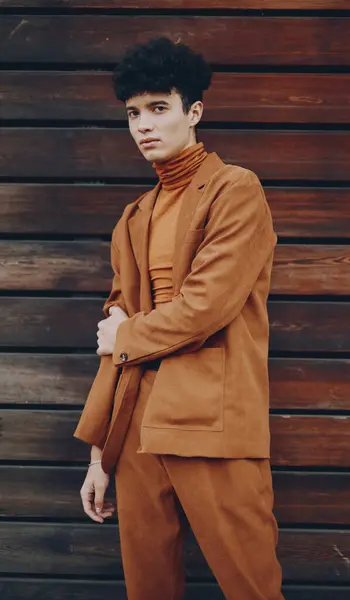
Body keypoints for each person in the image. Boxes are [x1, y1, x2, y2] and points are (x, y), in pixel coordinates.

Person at [74, 36, 284, 600]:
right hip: (139, 428)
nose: (144, 124)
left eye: (159, 108)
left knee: (251, 587)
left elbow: (206, 308)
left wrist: (126, 334)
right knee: (148, 589)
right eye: (133, 113)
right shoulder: (133, 216)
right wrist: (101, 453)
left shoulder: (235, 189)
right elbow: (111, 346)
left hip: (212, 423)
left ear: (193, 112)